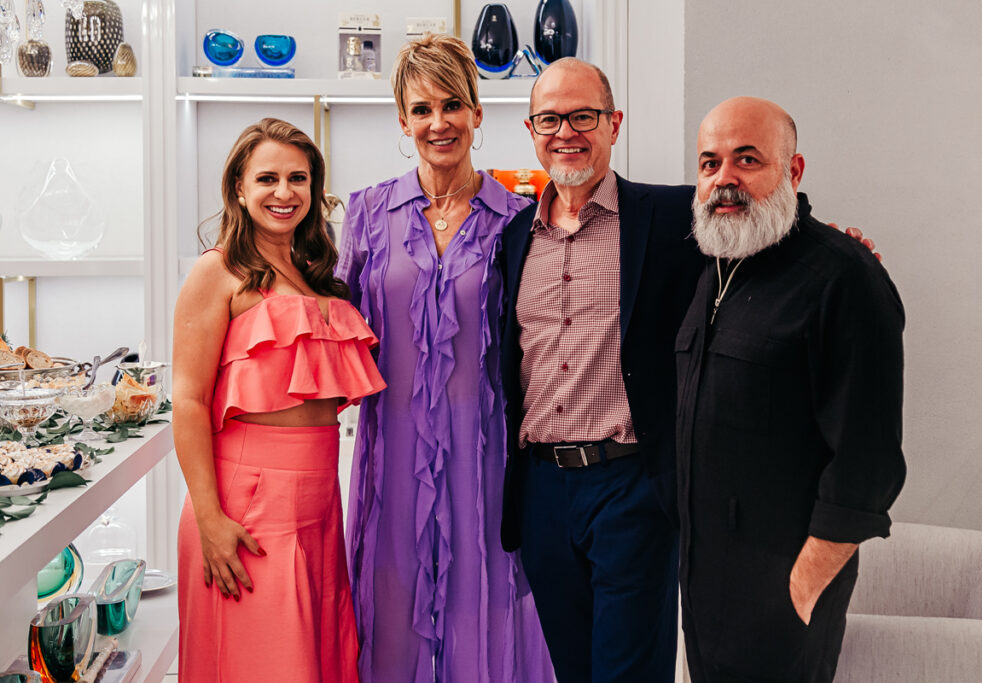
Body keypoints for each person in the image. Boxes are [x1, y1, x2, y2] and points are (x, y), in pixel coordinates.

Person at [336, 34, 554, 683]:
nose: (439, 122)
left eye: (452, 104)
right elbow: (331, 322)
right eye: (422, 109)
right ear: (402, 120)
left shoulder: (519, 219)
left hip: (487, 451)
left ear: (477, 112)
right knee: (390, 604)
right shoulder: (366, 213)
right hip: (391, 448)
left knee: (485, 607)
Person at [675, 96, 906, 682]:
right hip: (704, 589)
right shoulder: (715, 267)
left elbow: (867, 464)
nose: (725, 179)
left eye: (747, 159)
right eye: (709, 163)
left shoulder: (844, 276)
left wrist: (800, 590)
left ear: (793, 170)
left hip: (783, 599)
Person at [498, 57, 706, 682]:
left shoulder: (669, 217)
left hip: (630, 487)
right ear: (532, 130)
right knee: (572, 670)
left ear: (614, 123)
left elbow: (755, 221)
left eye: (583, 116)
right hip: (542, 492)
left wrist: (835, 248)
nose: (566, 132)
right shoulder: (514, 237)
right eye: (549, 119)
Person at [173, 118, 385, 682]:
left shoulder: (316, 275)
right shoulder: (218, 270)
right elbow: (188, 400)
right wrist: (210, 519)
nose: (284, 192)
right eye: (267, 178)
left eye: (298, 178)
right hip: (245, 506)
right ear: (239, 188)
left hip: (319, 503)